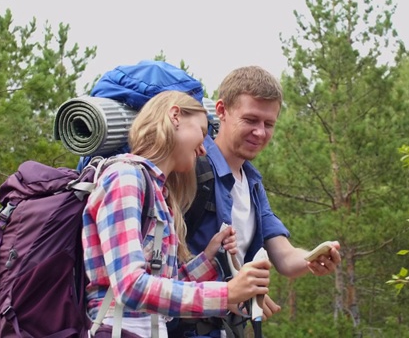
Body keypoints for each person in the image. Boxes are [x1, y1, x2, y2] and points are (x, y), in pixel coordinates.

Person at [82, 91, 272, 338]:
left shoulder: (158, 192)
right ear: (175, 116)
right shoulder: (125, 178)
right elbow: (130, 288)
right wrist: (227, 294)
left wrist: (209, 259)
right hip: (118, 329)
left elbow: (163, 288)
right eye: (203, 134)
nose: (204, 150)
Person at [173, 66, 342, 337]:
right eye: (251, 120)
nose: (260, 133)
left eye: (269, 123)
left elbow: (284, 257)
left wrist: (313, 258)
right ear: (222, 110)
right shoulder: (191, 170)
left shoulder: (252, 184)